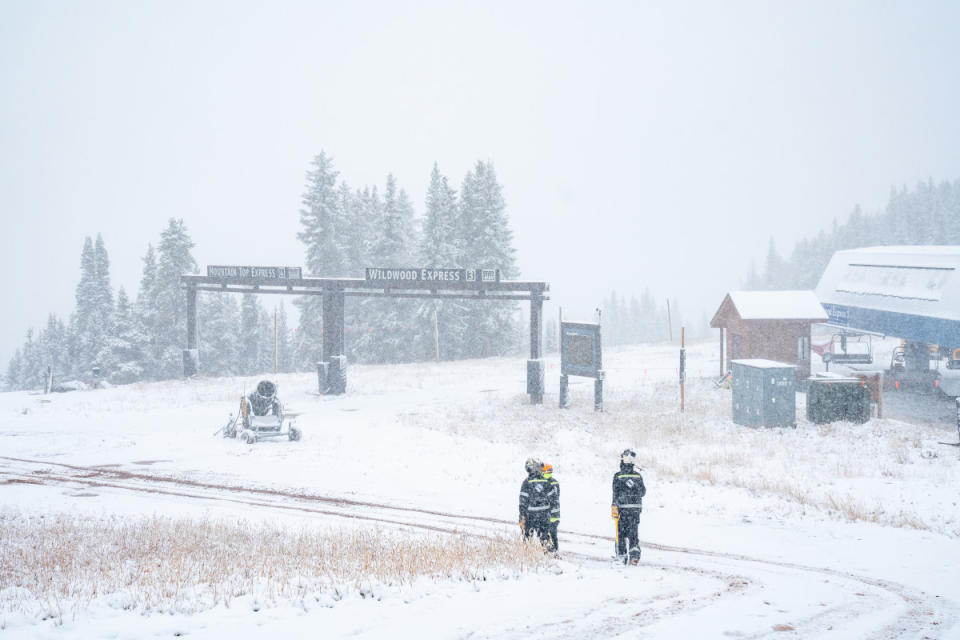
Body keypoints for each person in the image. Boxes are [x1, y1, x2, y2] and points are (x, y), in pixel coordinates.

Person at [611, 448, 646, 565]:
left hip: (623, 509)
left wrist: (614, 506)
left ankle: (621, 556)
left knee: (621, 533)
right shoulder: (638, 476)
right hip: (635, 510)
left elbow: (615, 492)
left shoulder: (618, 476)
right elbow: (643, 492)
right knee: (633, 533)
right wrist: (634, 487)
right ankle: (634, 555)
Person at [519, 457, 554, 548]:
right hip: (544, 516)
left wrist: (522, 517)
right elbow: (553, 499)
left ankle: (527, 555)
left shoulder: (526, 483)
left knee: (527, 537)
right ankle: (551, 554)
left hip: (530, 516)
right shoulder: (546, 482)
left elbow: (523, 502)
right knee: (545, 537)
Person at [542, 462, 560, 552]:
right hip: (556, 513)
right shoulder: (555, 482)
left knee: (545, 535)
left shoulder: (545, 483)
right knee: (554, 535)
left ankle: (549, 551)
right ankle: (555, 551)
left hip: (548, 513)